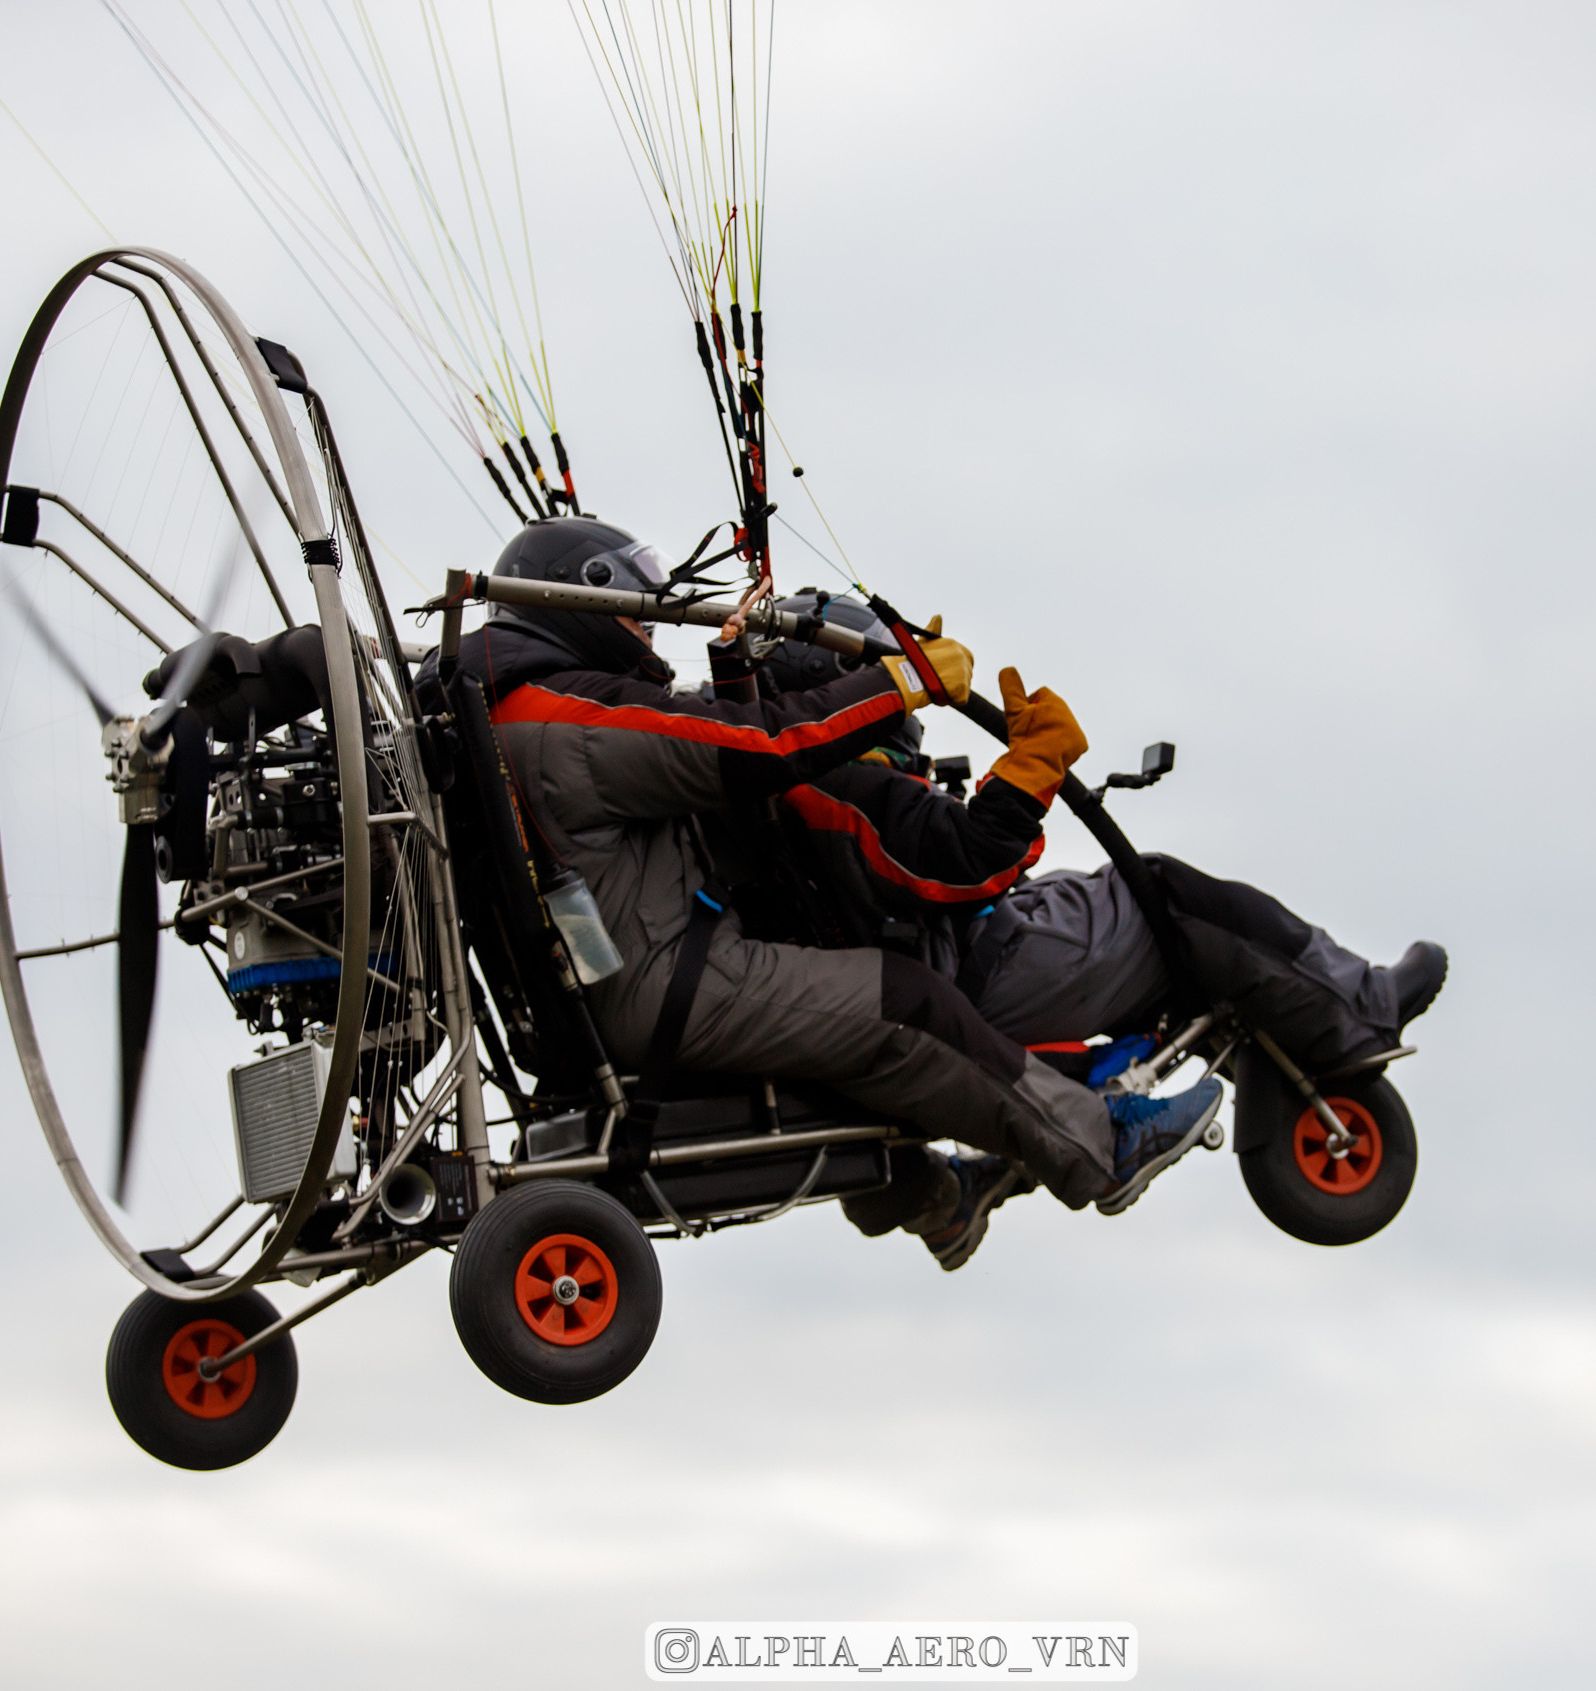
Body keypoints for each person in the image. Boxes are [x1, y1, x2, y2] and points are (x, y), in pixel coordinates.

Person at [430, 519, 1223, 1227]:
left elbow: (717, 758)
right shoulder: (563, 718)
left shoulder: (510, 712)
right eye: (635, 613)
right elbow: (754, 746)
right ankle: (1098, 1147)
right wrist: (899, 682)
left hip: (617, 977)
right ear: (581, 597)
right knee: (904, 1004)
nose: (647, 631)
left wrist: (735, 667)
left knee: (854, 994)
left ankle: (941, 1199)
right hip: (665, 983)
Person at [719, 592, 1448, 1269]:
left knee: (1088, 897)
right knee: (1159, 891)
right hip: (972, 970)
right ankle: (1360, 1005)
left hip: (909, 971)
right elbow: (967, 860)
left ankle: (969, 1189)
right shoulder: (841, 785)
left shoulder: (767, 792)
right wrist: (1032, 765)